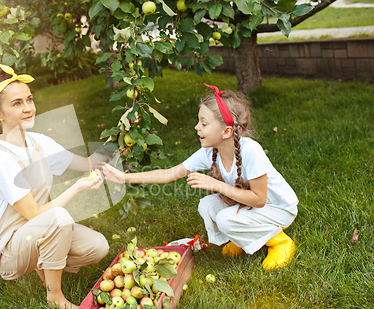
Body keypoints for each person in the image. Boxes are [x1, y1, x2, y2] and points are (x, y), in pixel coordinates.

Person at [102, 84, 298, 270]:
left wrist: (216, 184)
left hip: (278, 209)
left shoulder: (250, 151)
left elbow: (259, 199)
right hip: (253, 207)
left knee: (224, 218)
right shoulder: (210, 152)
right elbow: (168, 174)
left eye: (203, 123)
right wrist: (124, 177)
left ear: (226, 131)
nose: (197, 127)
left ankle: (279, 241)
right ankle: (241, 239)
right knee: (207, 205)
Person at [0, 64, 110, 309]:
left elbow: (86, 163)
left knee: (98, 246)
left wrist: (119, 139)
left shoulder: (39, 142)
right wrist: (78, 189)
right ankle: (55, 298)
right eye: (16, 104)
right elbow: (35, 215)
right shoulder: (0, 160)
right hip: (7, 249)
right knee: (58, 218)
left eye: (29, 99)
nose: (28, 108)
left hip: (36, 231)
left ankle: (45, 262)